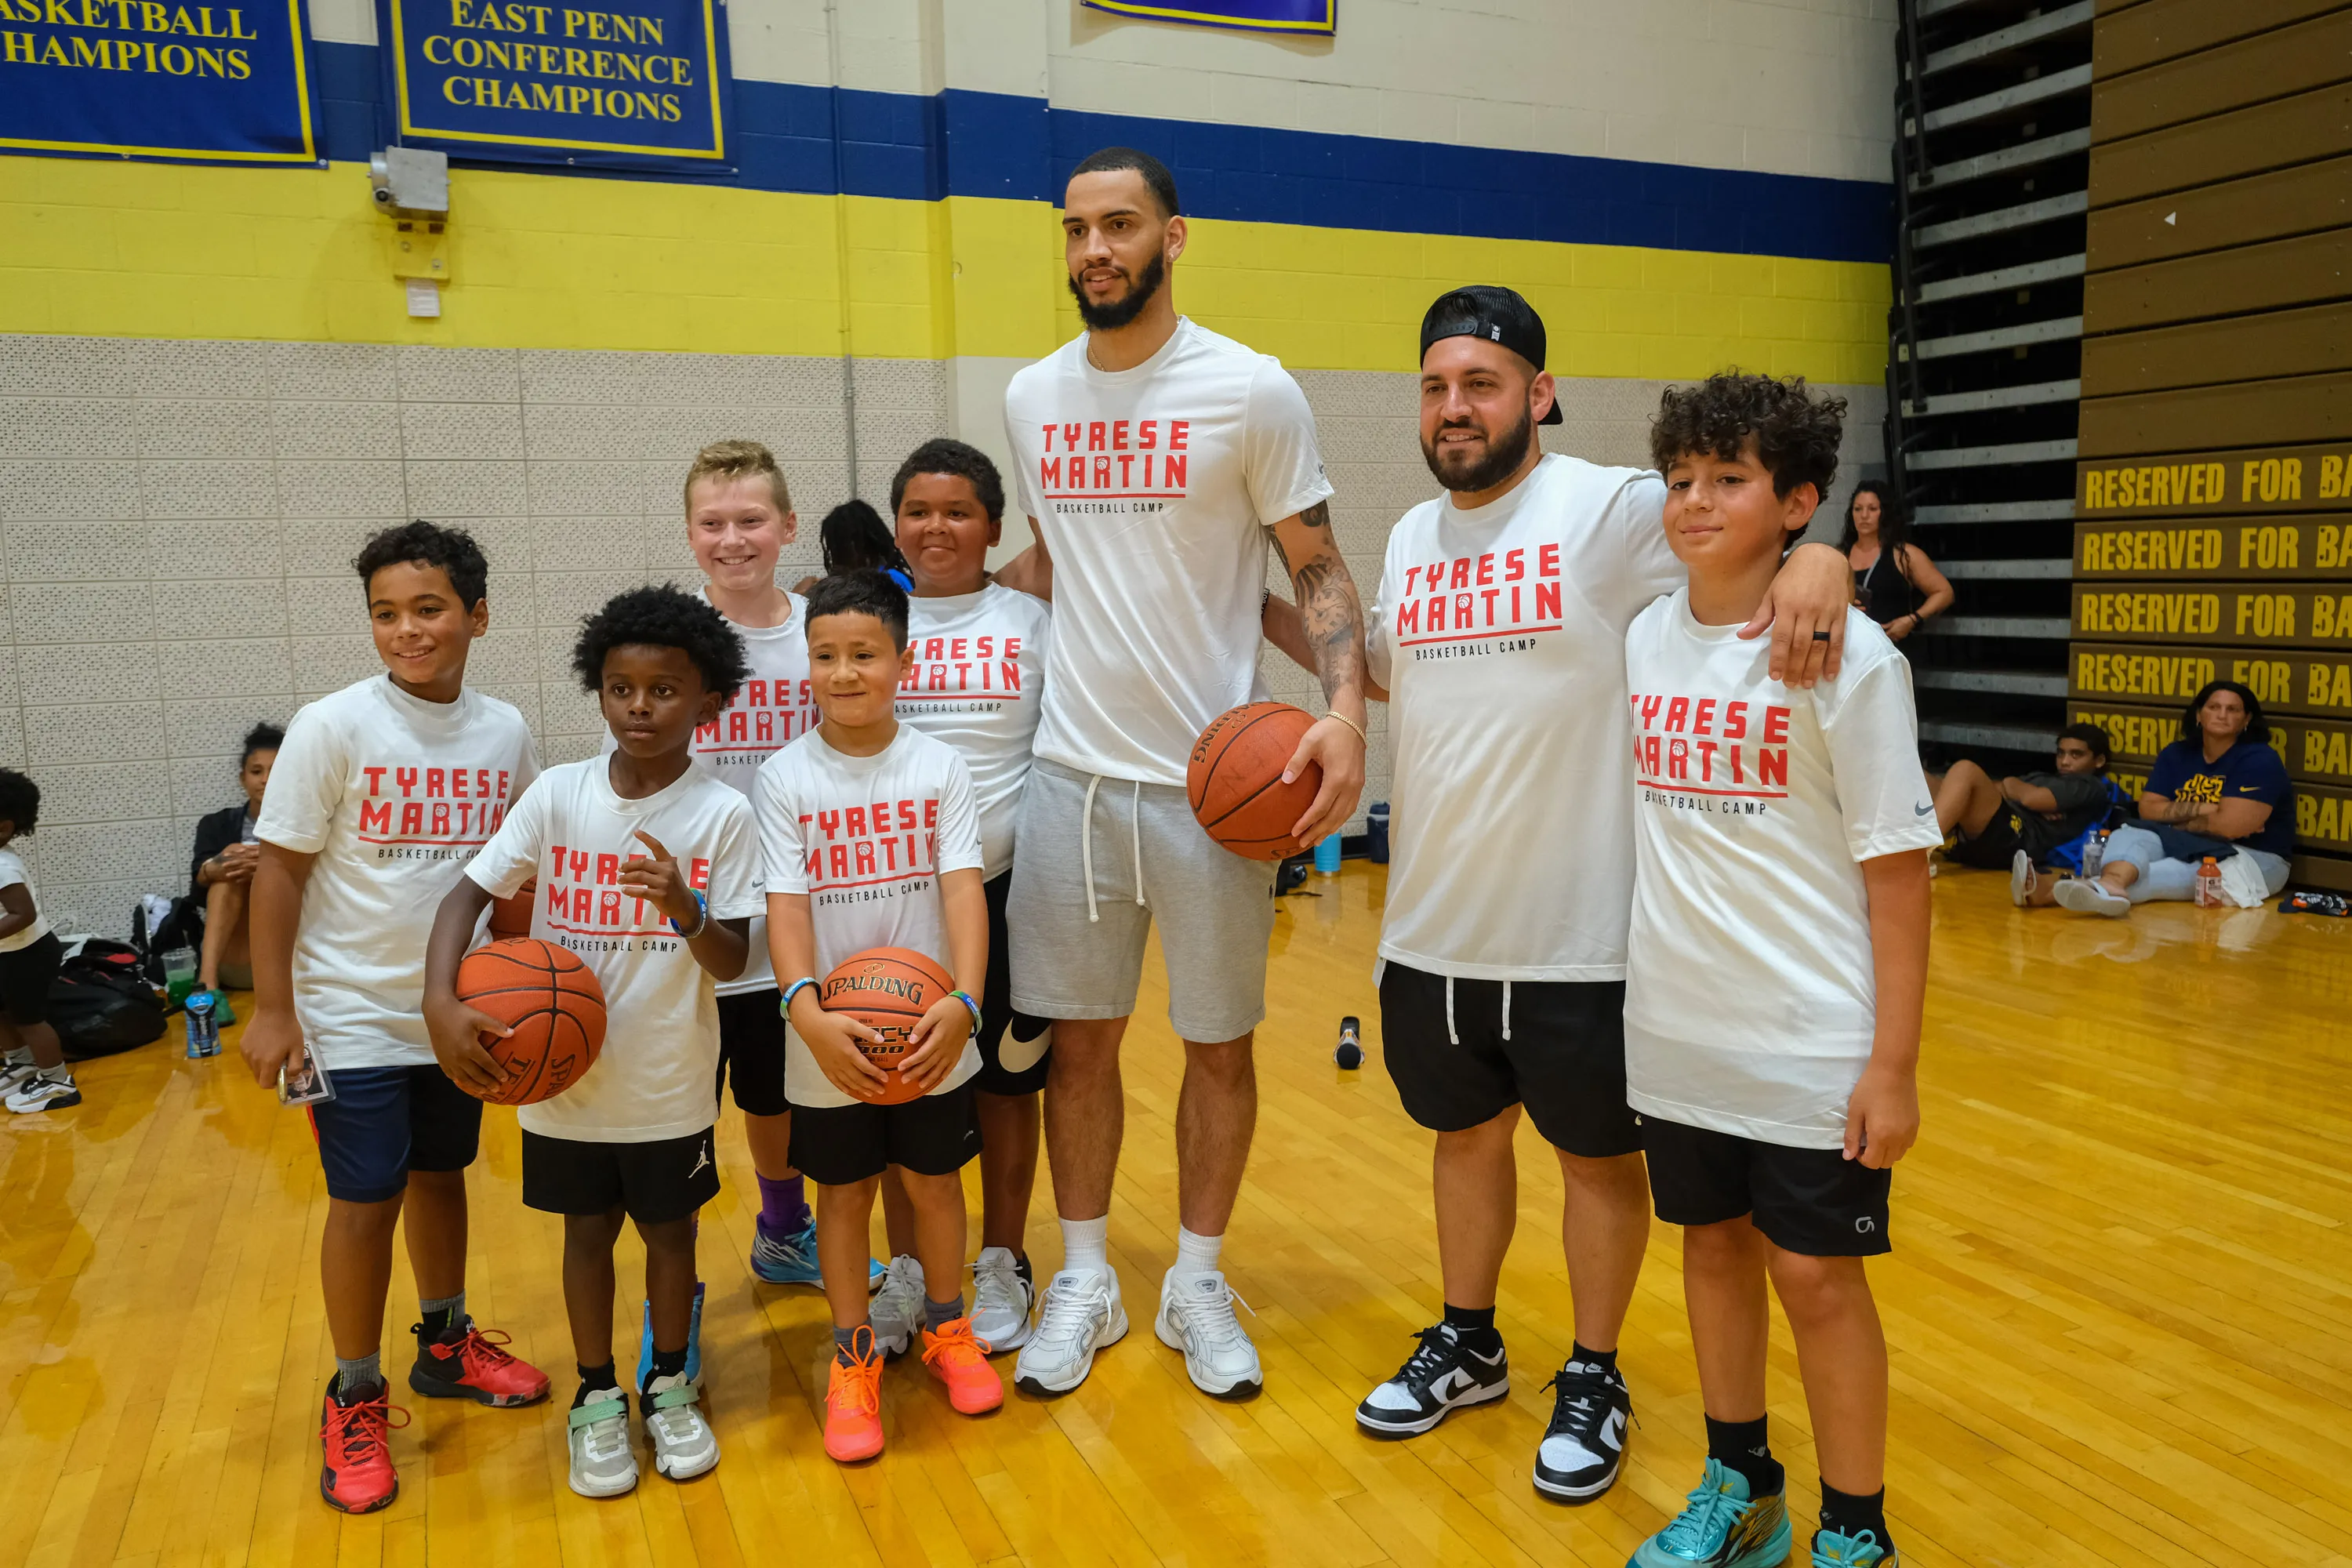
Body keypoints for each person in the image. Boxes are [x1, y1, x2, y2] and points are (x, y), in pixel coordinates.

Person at [1352, 289, 1862, 1504]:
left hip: (1585, 935)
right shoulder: (1413, 537)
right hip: (1431, 927)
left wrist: (1828, 549)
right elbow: (1377, 673)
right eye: (1435, 386)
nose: (1455, 406)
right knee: (1462, 1141)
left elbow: (1744, 502)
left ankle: (1593, 1371)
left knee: (1594, 1166)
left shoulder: (1608, 507)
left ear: (1538, 393)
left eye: (1481, 383)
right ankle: (1469, 1340)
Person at [993, 145, 1372, 1403]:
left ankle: (1198, 1276)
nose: (1095, 249)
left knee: (1219, 1045)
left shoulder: (1251, 391)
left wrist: (1348, 706)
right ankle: (1088, 1276)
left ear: (1174, 237)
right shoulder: (1032, 398)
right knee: (1079, 1050)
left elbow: (1309, 566)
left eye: (1119, 225)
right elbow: (1075, 564)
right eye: (1075, 230)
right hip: (1070, 781)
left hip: (1219, 788)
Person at [1624, 372, 1937, 1568]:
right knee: (1712, 1251)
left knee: (1815, 1274)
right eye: (1681, 479)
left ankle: (1855, 1530)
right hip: (1676, 1026)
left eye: (1730, 480)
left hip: (1811, 1035)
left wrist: (1893, 1064)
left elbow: (1898, 877)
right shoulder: (1649, 634)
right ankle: (1741, 1480)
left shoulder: (1850, 661)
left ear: (1798, 499)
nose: (1696, 501)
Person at [239, 521, 551, 1515]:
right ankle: (355, 1389)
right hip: (349, 1013)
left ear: (477, 615)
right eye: (386, 613)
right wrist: (276, 1007)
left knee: (441, 1172)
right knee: (364, 1194)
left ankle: (447, 1342)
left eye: (429, 609)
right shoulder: (331, 726)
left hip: (456, 1013)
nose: (407, 631)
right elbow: (279, 872)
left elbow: (510, 880)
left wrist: (515, 989)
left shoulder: (505, 731)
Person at [426, 585, 760, 1497]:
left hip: (668, 1074)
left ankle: (669, 1380)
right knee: (585, 1234)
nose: (640, 706)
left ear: (707, 701)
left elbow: (732, 959)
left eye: (663, 689)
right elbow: (466, 893)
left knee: (670, 1232)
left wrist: (684, 905)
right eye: (621, 688)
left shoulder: (723, 814)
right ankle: (598, 1391)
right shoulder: (557, 793)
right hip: (563, 1078)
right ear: (599, 691)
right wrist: (438, 997)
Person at [816, 445, 1058, 1356]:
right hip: (887, 897)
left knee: (1005, 1081)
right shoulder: (868, 622)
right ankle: (912, 1266)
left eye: (959, 510)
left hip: (1006, 891)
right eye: (917, 509)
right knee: (893, 1072)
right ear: (895, 524)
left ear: (994, 527)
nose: (937, 527)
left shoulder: (1032, 619)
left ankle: (1000, 1256)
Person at [753, 568, 1000, 1462]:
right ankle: (853, 1354)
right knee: (844, 1193)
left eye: (864, 654)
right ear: (806, 664)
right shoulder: (785, 776)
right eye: (825, 656)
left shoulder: (938, 765)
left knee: (936, 1184)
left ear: (904, 657)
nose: (844, 671)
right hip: (829, 1031)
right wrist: (803, 1009)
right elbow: (785, 908)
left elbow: (963, 891)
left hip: (934, 1023)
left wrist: (967, 1001)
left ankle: (946, 1327)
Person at [662, 440, 879, 1296]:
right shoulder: (672, 637)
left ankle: (783, 1227)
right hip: (698, 911)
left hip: (800, 906)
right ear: (689, 535)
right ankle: (670, 1288)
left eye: (751, 519)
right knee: (681, 1102)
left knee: (773, 1090)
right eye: (713, 523)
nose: (733, 538)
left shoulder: (821, 634)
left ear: (787, 526)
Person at [2056, 681, 2294, 916]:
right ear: (2199, 715)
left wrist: (2176, 820)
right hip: (2185, 843)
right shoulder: (2177, 753)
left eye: (2233, 709)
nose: (2222, 715)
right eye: (2214, 707)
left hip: (2252, 858)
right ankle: (2110, 882)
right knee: (2129, 834)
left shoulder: (2260, 759)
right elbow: (2148, 810)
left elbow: (2232, 828)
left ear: (2247, 719)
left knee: (2153, 875)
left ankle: (2050, 891)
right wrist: (2210, 809)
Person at [1927, 724, 2129, 906]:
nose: (2065, 761)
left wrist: (2013, 786)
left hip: (2020, 838)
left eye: (2076, 755)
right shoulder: (2042, 777)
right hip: (1995, 828)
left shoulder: (2089, 786)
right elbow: (2000, 788)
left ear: (2099, 760)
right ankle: (1903, 844)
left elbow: (2032, 799)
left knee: (1966, 769)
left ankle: (1921, 851)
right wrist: (2015, 787)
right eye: (2061, 753)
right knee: (1923, 777)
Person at [190, 721, 283, 1006]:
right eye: (257, 772)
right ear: (242, 778)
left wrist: (270, 866)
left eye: (277, 771)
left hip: (290, 960)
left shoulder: (312, 825)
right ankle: (206, 986)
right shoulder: (216, 824)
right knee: (227, 874)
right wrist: (213, 868)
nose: (266, 780)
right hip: (237, 956)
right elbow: (196, 893)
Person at [0, 770, 76, 1114]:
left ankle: (57, 1082)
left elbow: (23, 915)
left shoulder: (4, 867)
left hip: (27, 954)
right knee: (4, 1012)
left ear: (4, 827)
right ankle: (20, 1065)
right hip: (8, 952)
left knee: (29, 1019)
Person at [1839, 481, 1950, 643]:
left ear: (1884, 513)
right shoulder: (1838, 556)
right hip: (1851, 647)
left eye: (1872, 509)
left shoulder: (1903, 554)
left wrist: (1912, 619)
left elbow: (1944, 592)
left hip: (1892, 645)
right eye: (1858, 509)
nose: (1864, 516)